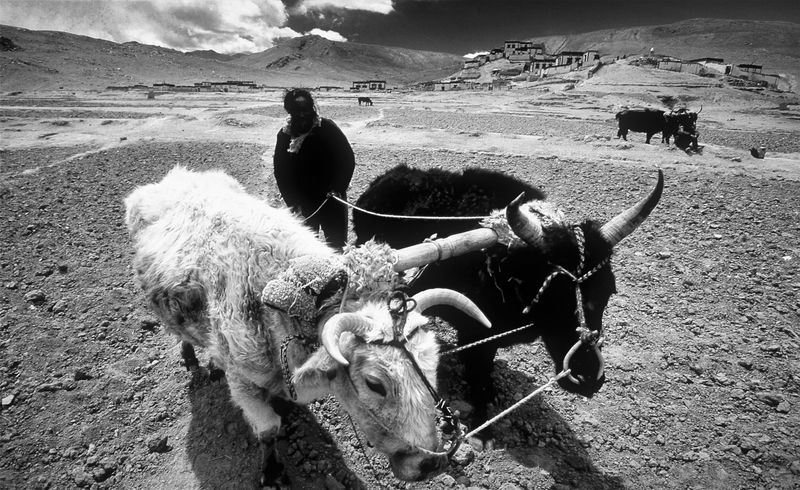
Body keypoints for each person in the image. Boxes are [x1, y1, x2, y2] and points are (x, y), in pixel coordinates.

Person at [273, 88, 355, 250]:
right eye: (297, 111)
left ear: (312, 108)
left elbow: (346, 159)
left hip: (331, 200)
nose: (302, 115)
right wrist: (292, 201)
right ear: (289, 112)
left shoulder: (327, 128)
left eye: (305, 110)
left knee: (338, 247)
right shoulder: (284, 136)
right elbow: (281, 172)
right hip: (303, 205)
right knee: (307, 250)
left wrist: (338, 187)